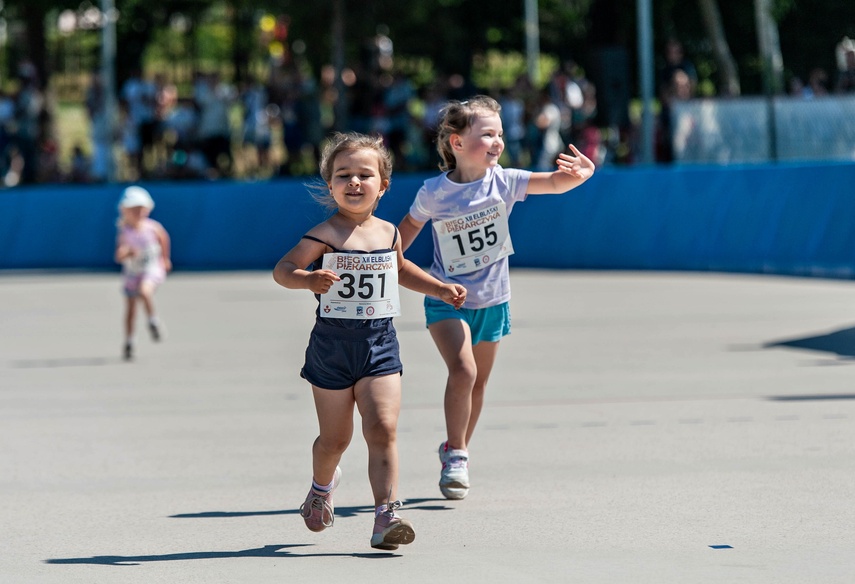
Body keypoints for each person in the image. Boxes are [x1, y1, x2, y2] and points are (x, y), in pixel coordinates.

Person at [272, 132, 466, 550]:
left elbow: (400, 270)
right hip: (332, 348)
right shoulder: (324, 234)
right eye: (344, 175)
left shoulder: (388, 233)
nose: (354, 182)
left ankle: (386, 516)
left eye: (364, 174)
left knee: (382, 428)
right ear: (330, 185)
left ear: (383, 185)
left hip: (380, 345)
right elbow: (283, 269)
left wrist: (439, 288)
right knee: (335, 440)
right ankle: (321, 488)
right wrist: (307, 279)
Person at [397, 95, 595, 500]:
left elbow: (555, 184)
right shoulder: (434, 192)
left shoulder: (503, 181)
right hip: (447, 300)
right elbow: (400, 239)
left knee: (479, 383)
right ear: (455, 142)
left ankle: (455, 447)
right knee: (464, 371)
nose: (498, 141)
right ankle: (458, 458)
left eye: (500, 134)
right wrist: (378, 263)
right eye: (487, 133)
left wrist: (581, 175)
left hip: (494, 301)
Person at [114, 186, 172, 361]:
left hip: (151, 268)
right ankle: (130, 341)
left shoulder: (153, 228)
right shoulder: (125, 232)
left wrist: (165, 258)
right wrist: (129, 252)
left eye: (141, 209)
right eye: (134, 209)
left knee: (144, 291)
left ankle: (153, 321)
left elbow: (164, 239)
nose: (138, 213)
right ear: (125, 211)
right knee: (131, 309)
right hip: (133, 272)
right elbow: (119, 254)